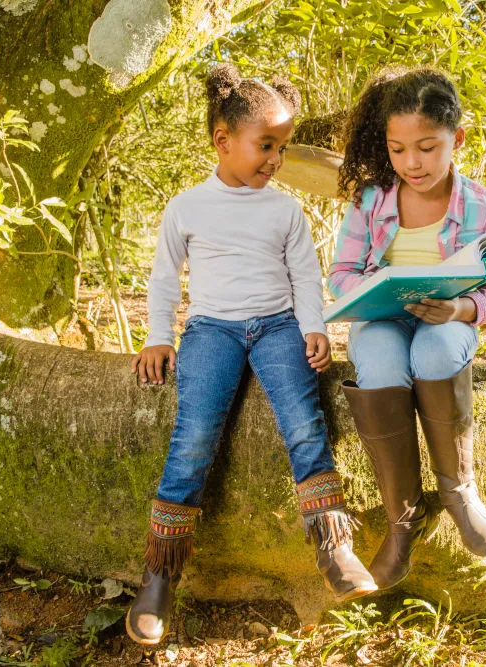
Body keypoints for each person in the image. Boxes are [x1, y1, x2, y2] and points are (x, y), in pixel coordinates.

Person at [126, 63, 376, 645]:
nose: (275, 161)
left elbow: (305, 275)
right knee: (193, 438)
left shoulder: (284, 210)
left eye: (281, 149)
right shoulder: (186, 207)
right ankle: (159, 575)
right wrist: (158, 335)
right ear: (223, 140)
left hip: (277, 327)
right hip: (211, 330)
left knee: (304, 423)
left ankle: (333, 547)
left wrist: (313, 328)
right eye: (266, 146)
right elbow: (165, 279)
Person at [328, 68, 486, 589]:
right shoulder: (370, 200)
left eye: (428, 147)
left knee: (435, 351)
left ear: (458, 138)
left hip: (446, 323)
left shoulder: (481, 206)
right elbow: (342, 273)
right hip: (382, 320)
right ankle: (404, 519)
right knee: (382, 359)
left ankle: (457, 490)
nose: (412, 163)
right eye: (398, 149)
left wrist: (459, 310)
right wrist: (371, 290)